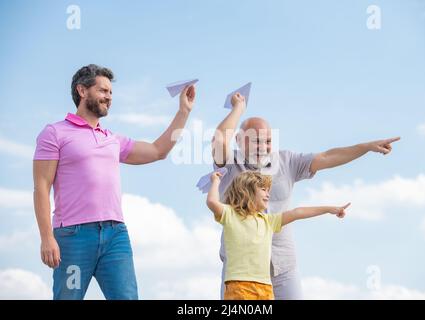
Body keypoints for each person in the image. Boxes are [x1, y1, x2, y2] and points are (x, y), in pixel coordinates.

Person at [211, 92, 400, 299]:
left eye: (267, 141)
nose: (263, 147)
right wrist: (238, 107)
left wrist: (366, 147)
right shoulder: (229, 165)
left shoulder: (286, 161)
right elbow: (220, 138)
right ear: (239, 140)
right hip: (241, 274)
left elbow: (327, 157)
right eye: (256, 141)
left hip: (283, 267)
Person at [33, 64, 196, 299]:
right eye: (103, 91)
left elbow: (158, 151)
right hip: (73, 237)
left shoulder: (112, 140)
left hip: (115, 235)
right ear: (82, 90)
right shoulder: (54, 133)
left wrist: (184, 112)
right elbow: (41, 187)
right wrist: (47, 238)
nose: (109, 97)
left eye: (110, 93)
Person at [207, 171, 350, 300]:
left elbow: (297, 212)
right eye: (263, 189)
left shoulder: (269, 221)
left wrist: (329, 209)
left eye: (268, 190)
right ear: (247, 191)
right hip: (239, 285)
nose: (268, 194)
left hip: (265, 287)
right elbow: (212, 202)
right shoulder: (230, 214)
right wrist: (215, 181)